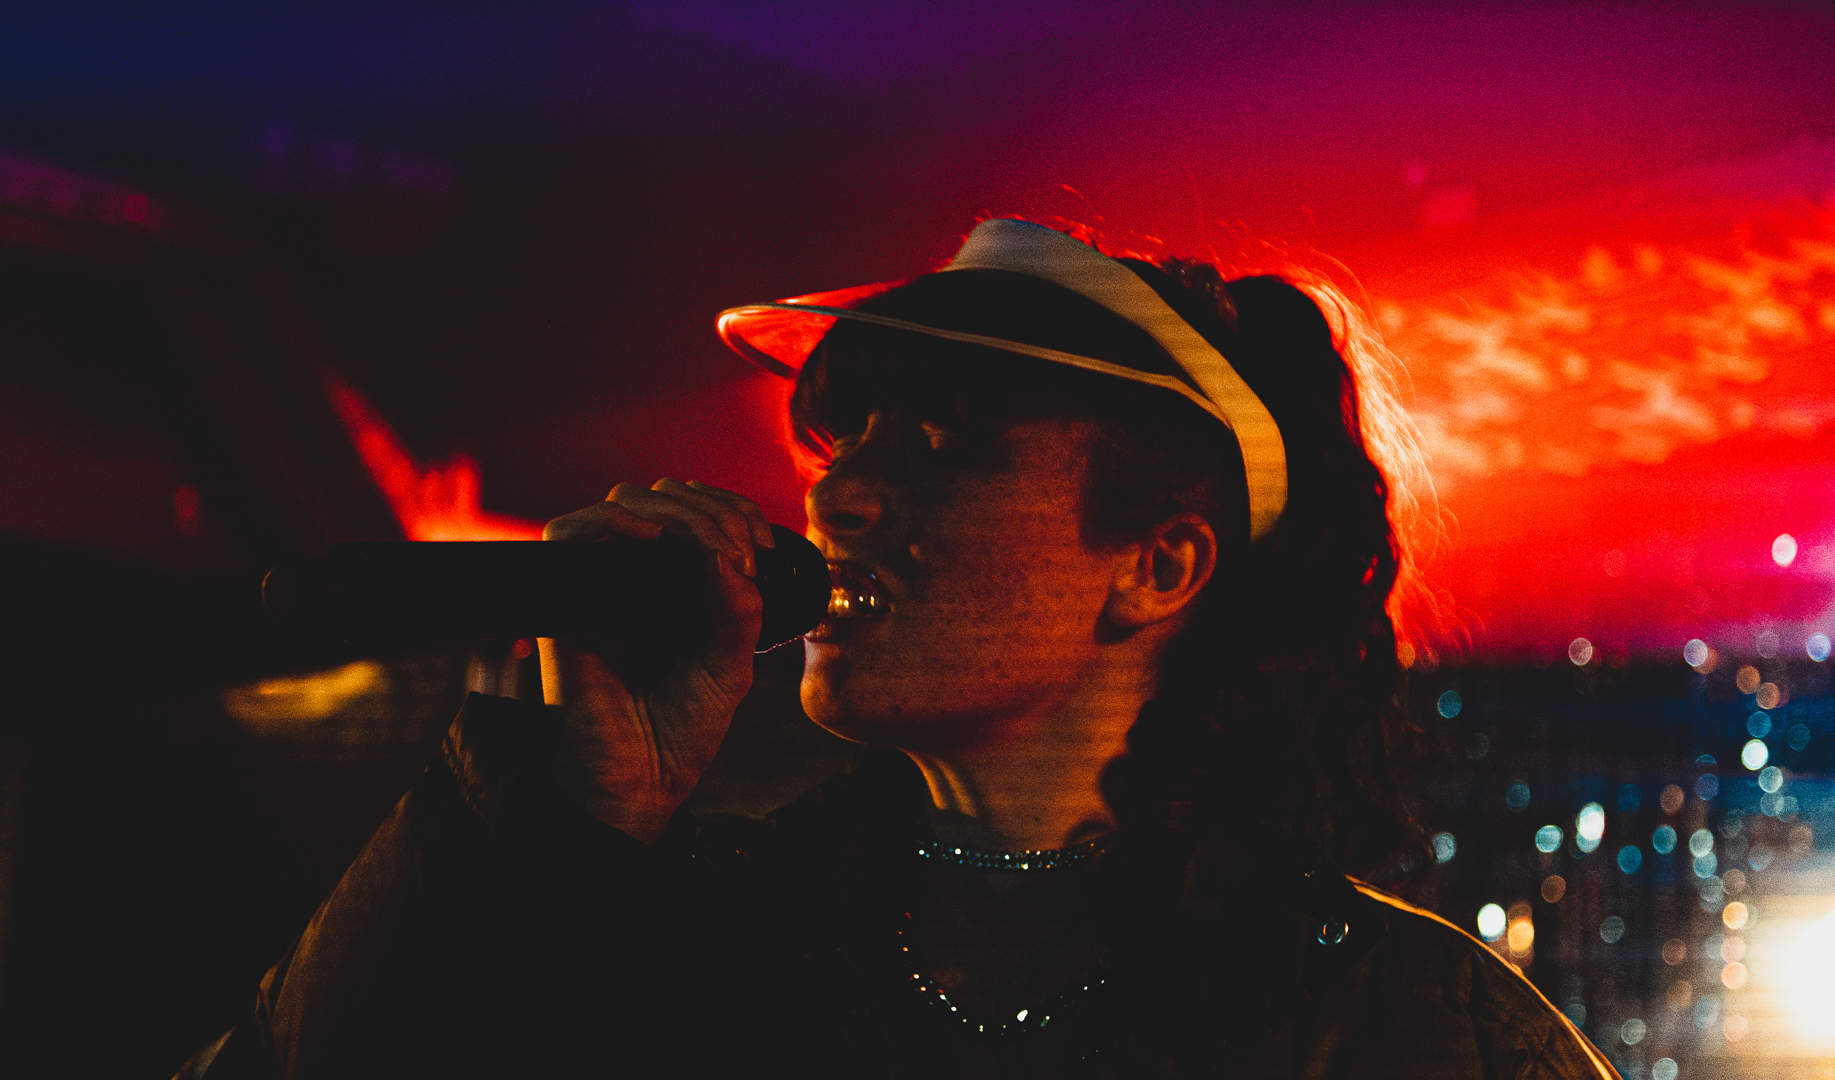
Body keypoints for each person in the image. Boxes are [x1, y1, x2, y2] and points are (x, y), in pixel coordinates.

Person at [179, 219, 1617, 1078]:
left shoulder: (1411, 1032)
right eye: (844, 439)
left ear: (1158, 564)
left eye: (942, 449)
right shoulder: (681, 938)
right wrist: (544, 834)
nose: (838, 491)